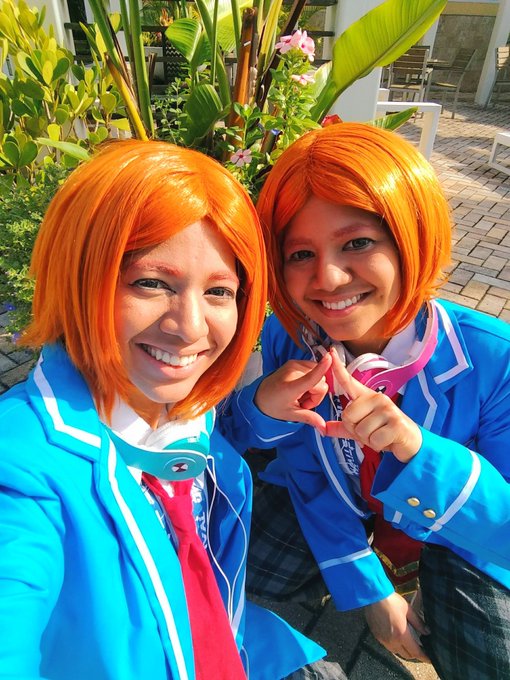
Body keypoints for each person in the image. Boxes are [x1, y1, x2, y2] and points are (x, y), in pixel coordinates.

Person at [0, 139, 327, 680]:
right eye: (151, 283)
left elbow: (191, 443)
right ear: (78, 276)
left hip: (232, 640)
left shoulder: (172, 403)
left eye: (219, 292)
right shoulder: (21, 473)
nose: (190, 327)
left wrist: (258, 409)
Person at [220, 122, 510, 679]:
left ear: (410, 236)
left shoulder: (494, 358)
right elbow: (306, 467)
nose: (328, 278)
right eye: (300, 253)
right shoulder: (290, 336)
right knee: (250, 562)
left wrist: (419, 452)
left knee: (488, 657)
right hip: (345, 506)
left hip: (454, 538)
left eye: (357, 243)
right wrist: (369, 590)